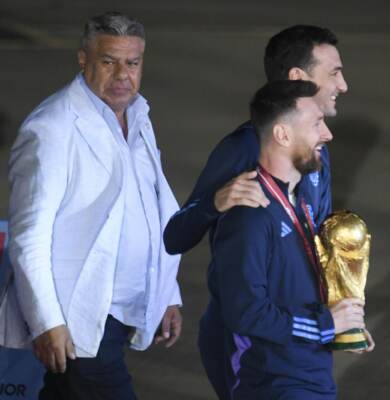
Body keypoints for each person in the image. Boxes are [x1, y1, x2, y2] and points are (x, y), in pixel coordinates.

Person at [162, 25, 352, 398]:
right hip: (252, 346)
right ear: (299, 78)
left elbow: (317, 241)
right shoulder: (243, 148)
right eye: (334, 72)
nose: (342, 85)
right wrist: (214, 203)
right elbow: (175, 236)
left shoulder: (316, 153)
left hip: (302, 338)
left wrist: (342, 319)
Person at [0, 11, 182, 399]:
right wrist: (47, 322)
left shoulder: (139, 115)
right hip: (79, 316)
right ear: (83, 59)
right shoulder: (51, 128)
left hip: (123, 311)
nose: (122, 75)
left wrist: (168, 292)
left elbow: (151, 206)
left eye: (132, 63)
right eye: (108, 61)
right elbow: (28, 238)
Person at [210, 79, 368, 399]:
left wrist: (343, 326)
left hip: (311, 372)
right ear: (282, 134)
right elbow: (245, 312)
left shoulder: (301, 201)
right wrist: (324, 325)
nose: (328, 134)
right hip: (275, 383)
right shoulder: (250, 215)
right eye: (316, 124)